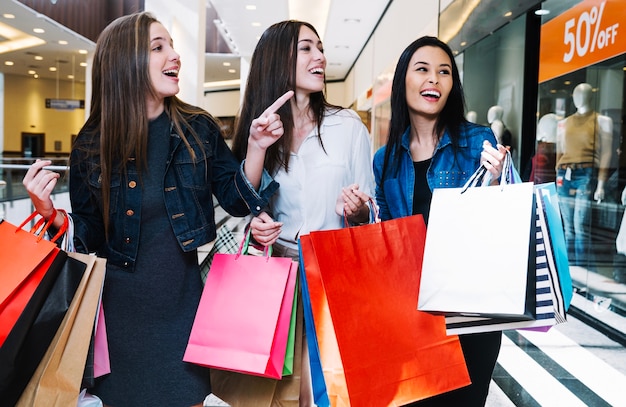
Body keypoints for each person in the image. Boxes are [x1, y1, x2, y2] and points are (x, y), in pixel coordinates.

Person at [22, 12, 288, 407]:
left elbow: (235, 199)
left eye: (173, 46)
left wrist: (256, 147)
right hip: (118, 315)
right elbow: (90, 234)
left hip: (183, 307)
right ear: (125, 62)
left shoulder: (197, 127)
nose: (175, 56)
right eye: (158, 47)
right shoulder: (92, 144)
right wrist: (48, 212)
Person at [230, 20, 375, 405]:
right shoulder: (261, 129)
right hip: (278, 278)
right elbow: (243, 204)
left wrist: (359, 210)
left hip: (334, 276)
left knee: (327, 388)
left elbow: (372, 210)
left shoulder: (348, 127)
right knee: (278, 393)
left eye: (320, 48)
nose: (321, 57)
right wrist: (257, 148)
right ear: (279, 60)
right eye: (307, 48)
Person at [372, 36, 507, 406]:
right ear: (402, 81)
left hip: (469, 309)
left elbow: (497, 224)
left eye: (444, 72)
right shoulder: (385, 159)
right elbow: (386, 237)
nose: (434, 79)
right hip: (412, 310)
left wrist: (496, 183)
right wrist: (358, 215)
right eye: (423, 69)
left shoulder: (477, 141)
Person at [555, 82, 613, 268]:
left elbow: (606, 153)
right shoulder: (563, 123)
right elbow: (560, 151)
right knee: (568, 228)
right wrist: (557, 173)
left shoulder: (602, 121)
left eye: (584, 93)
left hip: (586, 174)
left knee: (580, 227)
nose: (579, 97)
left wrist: (601, 183)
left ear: (591, 96)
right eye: (576, 93)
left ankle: (582, 273)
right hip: (565, 174)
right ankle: (568, 271)